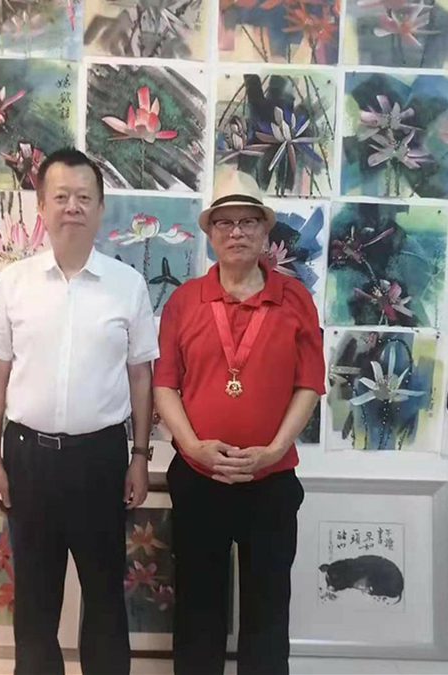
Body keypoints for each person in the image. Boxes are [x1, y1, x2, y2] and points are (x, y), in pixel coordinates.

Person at [0, 148, 159, 675]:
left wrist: (140, 456)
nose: (72, 207)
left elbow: (141, 376)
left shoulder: (127, 285)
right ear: (42, 207)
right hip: (27, 458)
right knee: (35, 598)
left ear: (100, 208)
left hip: (101, 459)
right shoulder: (14, 282)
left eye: (83, 197)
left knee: (104, 595)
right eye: (61, 197)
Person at [153, 194, 325, 675]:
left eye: (248, 222)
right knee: (197, 607)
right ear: (210, 235)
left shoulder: (295, 298)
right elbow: (164, 385)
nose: (236, 232)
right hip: (198, 477)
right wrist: (192, 447)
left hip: (271, 481)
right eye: (224, 223)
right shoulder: (185, 300)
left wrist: (274, 450)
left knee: (267, 608)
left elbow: (310, 383)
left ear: (265, 233)